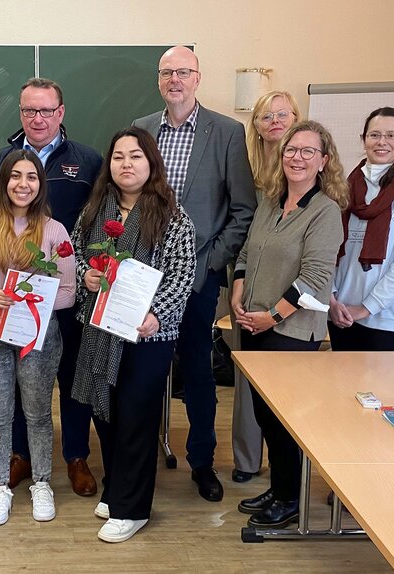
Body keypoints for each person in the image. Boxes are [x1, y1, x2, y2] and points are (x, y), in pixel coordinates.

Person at [133, 45, 256, 502]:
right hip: (143, 278)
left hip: (200, 277)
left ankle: (202, 462)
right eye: (167, 72)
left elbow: (242, 211)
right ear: (159, 80)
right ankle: (138, 458)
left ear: (198, 78)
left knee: (199, 374)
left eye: (183, 72)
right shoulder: (141, 131)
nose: (175, 80)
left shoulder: (226, 132)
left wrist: (206, 263)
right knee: (142, 371)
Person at [71, 127, 195, 543]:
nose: (127, 164)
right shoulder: (94, 210)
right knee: (104, 411)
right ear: (110, 165)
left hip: (147, 337)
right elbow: (74, 250)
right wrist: (87, 276)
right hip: (99, 329)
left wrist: (157, 315)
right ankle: (117, 487)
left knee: (135, 418)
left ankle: (133, 508)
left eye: (136, 156)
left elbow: (182, 276)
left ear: (151, 163)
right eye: (119, 156)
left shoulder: (172, 215)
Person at [0, 78, 103, 497]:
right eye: (29, 111)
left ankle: (75, 456)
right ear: (20, 113)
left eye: (46, 111)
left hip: (67, 297)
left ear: (61, 113)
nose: (38, 119)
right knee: (17, 377)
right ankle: (19, 454)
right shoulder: (2, 159)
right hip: (15, 301)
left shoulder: (87, 161)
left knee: (72, 376)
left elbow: (100, 226)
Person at [232, 120, 346, 529]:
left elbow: (316, 276)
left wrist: (274, 315)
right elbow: (246, 250)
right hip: (253, 321)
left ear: (324, 161)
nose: (297, 158)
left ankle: (292, 499)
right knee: (265, 415)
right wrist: (237, 293)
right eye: (291, 151)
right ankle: (281, 487)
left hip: (291, 332)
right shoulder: (270, 201)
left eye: (307, 151)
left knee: (284, 419)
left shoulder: (326, 211)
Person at [0, 149, 76, 525]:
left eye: (32, 177)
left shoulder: (55, 231)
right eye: (16, 176)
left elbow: (70, 292)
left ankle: (41, 482)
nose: (23, 184)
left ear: (41, 185)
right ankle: (0, 485)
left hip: (37, 334)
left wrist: (33, 298)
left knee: (38, 413)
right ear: (3, 182)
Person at [232, 90, 303, 484]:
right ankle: (246, 460)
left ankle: (286, 478)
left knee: (286, 388)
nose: (274, 122)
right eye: (265, 117)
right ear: (256, 127)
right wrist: (239, 283)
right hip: (249, 280)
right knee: (248, 376)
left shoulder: (311, 174)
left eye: (282, 114)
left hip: (294, 290)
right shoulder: (248, 171)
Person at [330, 107, 394, 352]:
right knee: (341, 390)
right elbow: (327, 250)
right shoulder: (343, 188)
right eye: (374, 135)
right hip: (341, 313)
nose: (382, 142)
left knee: (384, 392)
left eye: (392, 135)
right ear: (363, 139)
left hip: (391, 319)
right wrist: (332, 299)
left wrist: (367, 307)